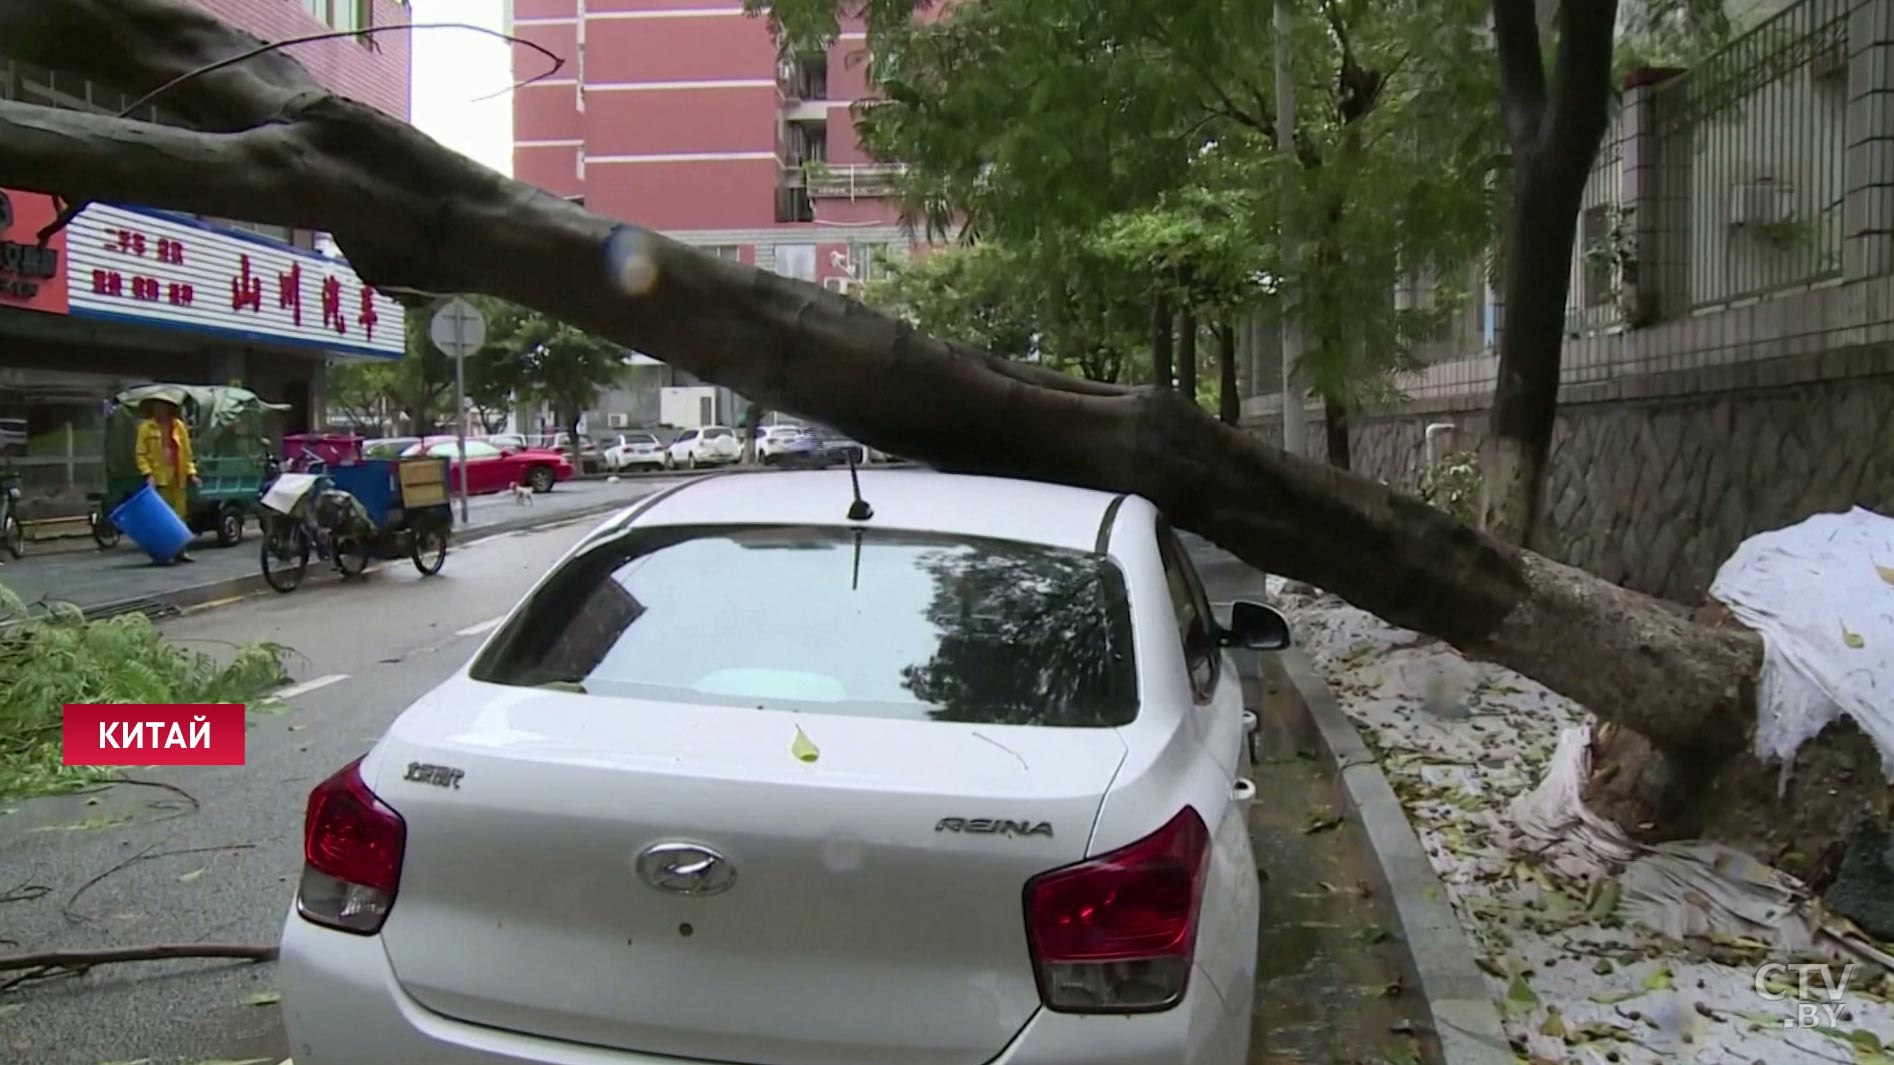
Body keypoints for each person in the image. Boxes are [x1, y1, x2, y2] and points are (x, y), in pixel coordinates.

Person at [134, 396, 200, 563]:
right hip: (159, 477)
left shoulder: (179, 426)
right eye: (157, 407)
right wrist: (148, 474)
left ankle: (181, 550)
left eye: (163, 407)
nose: (160, 410)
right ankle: (163, 553)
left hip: (178, 477)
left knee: (179, 517)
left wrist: (191, 473)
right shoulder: (146, 428)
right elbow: (141, 454)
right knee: (161, 518)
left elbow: (187, 454)